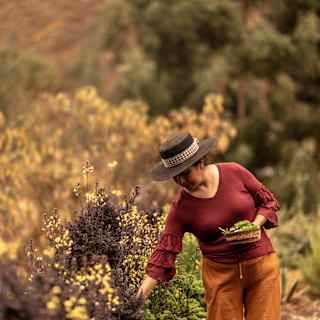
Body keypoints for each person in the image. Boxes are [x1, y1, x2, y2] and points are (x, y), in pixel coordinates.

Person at [136, 132, 281, 320]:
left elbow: (267, 202)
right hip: (220, 277)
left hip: (261, 267)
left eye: (185, 174)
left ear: (200, 162)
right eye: (175, 177)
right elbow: (164, 252)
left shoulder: (234, 172)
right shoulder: (181, 208)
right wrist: (136, 300)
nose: (181, 182)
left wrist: (255, 225)